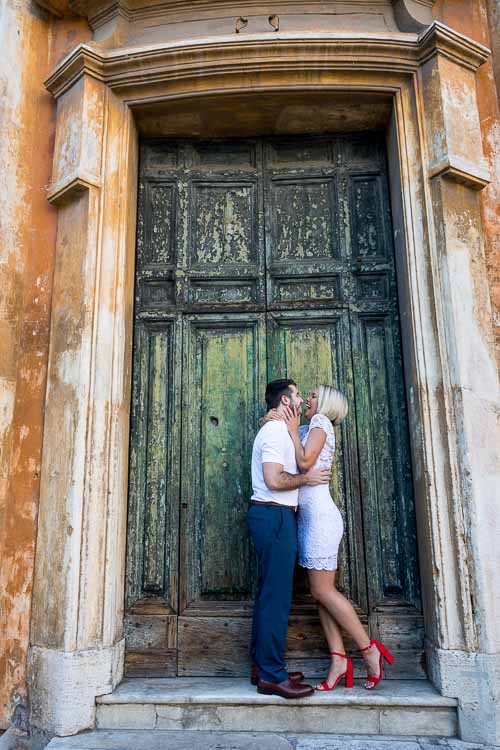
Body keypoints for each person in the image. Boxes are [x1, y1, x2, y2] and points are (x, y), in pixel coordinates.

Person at [266, 384, 395, 691]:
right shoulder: (310, 426)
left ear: (323, 403)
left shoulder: (321, 422)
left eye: (311, 396)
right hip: (309, 518)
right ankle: (338, 659)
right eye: (306, 396)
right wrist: (272, 422)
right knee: (319, 591)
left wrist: (294, 429)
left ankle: (368, 649)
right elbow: (287, 454)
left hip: (321, 519)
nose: (307, 400)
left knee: (323, 591)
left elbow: (305, 463)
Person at [247, 379, 332, 699]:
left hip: (278, 516)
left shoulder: (280, 430)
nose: (300, 399)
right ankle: (271, 674)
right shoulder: (272, 432)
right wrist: (306, 478)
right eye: (297, 395)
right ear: (285, 401)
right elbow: (273, 478)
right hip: (273, 516)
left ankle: (262, 666)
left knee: (270, 595)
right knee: (276, 598)